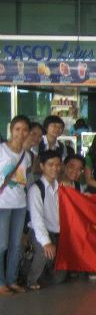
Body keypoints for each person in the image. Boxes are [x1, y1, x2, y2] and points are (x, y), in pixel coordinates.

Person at [26, 149, 67, 290]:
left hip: (58, 233)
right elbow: (37, 220)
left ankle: (47, 267)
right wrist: (46, 242)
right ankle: (30, 279)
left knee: (59, 278)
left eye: (57, 165)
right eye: (50, 165)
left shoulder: (61, 187)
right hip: (40, 232)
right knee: (44, 252)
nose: (55, 168)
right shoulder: (36, 189)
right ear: (42, 166)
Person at [0, 115, 32, 295]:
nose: (21, 133)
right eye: (17, 129)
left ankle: (11, 280)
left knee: (15, 244)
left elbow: (25, 179)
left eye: (25, 130)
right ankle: (0, 282)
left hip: (20, 204)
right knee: (2, 244)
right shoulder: (2, 150)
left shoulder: (27, 155)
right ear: (11, 130)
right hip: (2, 204)